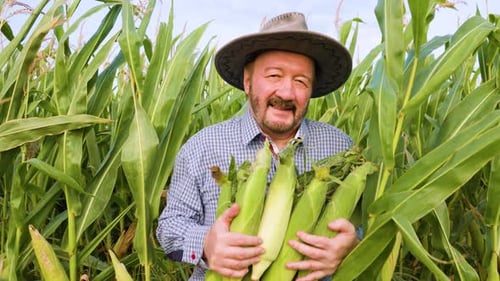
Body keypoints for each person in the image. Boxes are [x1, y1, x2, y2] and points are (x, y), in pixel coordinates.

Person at [156, 12, 358, 281]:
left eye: (300, 81)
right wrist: (206, 244)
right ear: (248, 82)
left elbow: (361, 229)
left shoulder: (339, 148)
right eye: (274, 75)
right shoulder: (203, 146)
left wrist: (351, 247)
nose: (286, 93)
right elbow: (169, 228)